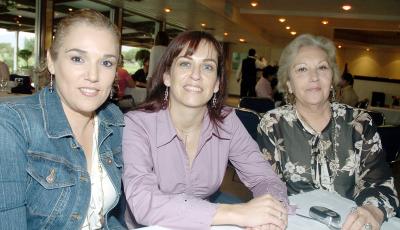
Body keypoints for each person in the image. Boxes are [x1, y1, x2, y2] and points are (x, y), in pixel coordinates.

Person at [122, 31, 293, 230]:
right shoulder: (137, 124)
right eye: (186, 64)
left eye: (207, 67)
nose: (196, 75)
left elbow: (264, 178)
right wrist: (237, 213)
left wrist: (272, 211)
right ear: (167, 76)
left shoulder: (227, 122)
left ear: (217, 84)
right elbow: (144, 202)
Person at [257, 34, 399, 230]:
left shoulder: (359, 122)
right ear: (288, 83)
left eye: (322, 67)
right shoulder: (273, 124)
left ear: (332, 78)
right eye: (302, 69)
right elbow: (266, 186)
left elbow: (380, 182)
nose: (314, 77)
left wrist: (372, 210)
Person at [0, 9, 126, 229]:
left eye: (106, 63)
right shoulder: (14, 124)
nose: (93, 76)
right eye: (78, 59)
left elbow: (110, 218)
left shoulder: (113, 119)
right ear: (51, 61)